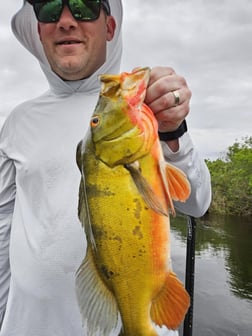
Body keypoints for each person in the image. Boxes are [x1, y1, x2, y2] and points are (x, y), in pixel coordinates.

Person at [0, 1, 211, 335]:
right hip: (28, 324)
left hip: (142, 315)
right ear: (39, 31)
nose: (66, 21)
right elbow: (3, 224)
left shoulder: (148, 111)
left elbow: (197, 203)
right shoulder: (16, 122)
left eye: (83, 7)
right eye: (50, 9)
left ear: (109, 27)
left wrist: (173, 132)